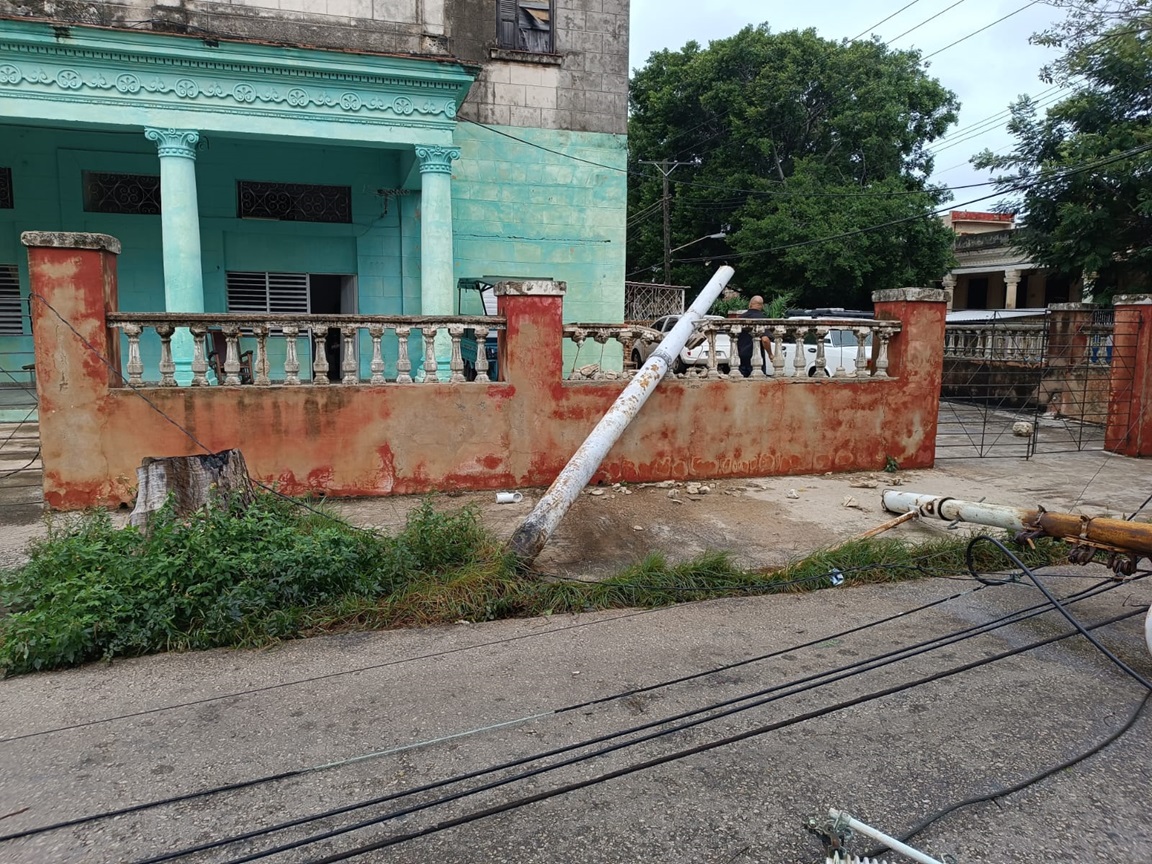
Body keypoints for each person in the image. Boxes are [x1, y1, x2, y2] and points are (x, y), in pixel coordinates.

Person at [737, 295, 774, 377]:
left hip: (740, 356)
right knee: (757, 382)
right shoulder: (761, 319)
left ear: (750, 304)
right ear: (762, 306)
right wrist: (770, 354)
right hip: (756, 357)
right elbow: (765, 340)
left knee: (741, 382)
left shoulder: (740, 318)